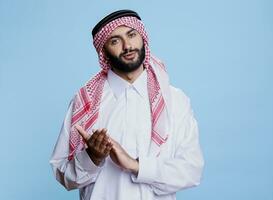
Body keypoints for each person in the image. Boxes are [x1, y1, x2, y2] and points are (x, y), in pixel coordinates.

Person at [50, 9, 205, 200]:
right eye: (115, 41)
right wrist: (92, 158)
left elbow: (191, 170)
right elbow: (62, 174)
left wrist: (136, 165)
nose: (127, 46)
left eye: (132, 35)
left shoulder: (174, 100)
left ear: (143, 38)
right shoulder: (86, 103)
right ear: (104, 52)